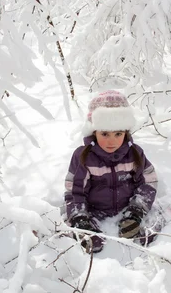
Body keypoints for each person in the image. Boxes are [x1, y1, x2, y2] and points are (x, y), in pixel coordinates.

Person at [64, 90, 158, 253]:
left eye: (118, 133)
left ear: (126, 132)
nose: (111, 141)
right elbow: (74, 191)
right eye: (105, 133)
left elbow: (148, 181)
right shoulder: (84, 157)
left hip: (126, 210)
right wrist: (81, 218)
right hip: (94, 212)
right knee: (90, 243)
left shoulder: (134, 153)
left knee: (143, 238)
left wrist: (136, 211)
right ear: (94, 131)